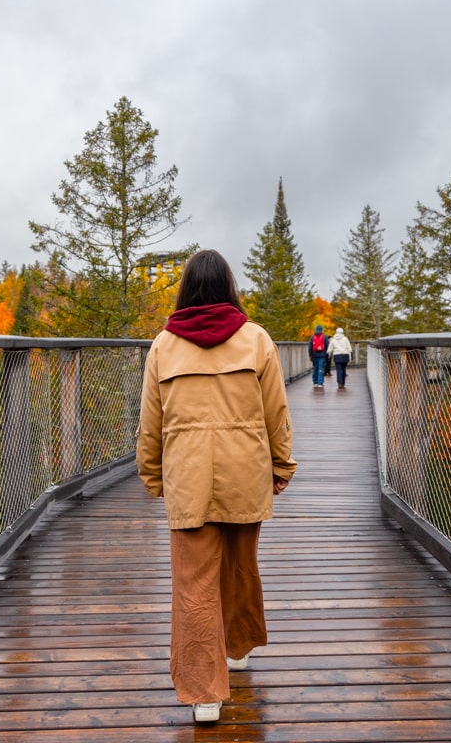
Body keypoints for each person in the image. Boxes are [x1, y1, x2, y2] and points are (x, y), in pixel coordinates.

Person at [136, 249, 297, 725]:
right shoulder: (256, 340)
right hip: (246, 473)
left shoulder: (164, 345)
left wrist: (152, 474)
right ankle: (239, 648)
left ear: (185, 289)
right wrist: (282, 464)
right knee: (240, 565)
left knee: (194, 584)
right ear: (229, 286)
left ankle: (205, 695)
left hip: (188, 479)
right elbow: (277, 412)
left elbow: (150, 424)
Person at [308, 324, 328, 388]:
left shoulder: (312, 337)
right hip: (322, 355)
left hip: (314, 355)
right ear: (321, 330)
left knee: (315, 368)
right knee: (321, 369)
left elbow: (310, 348)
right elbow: (327, 346)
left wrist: (310, 355)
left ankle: (315, 382)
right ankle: (320, 383)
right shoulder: (324, 337)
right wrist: (326, 355)